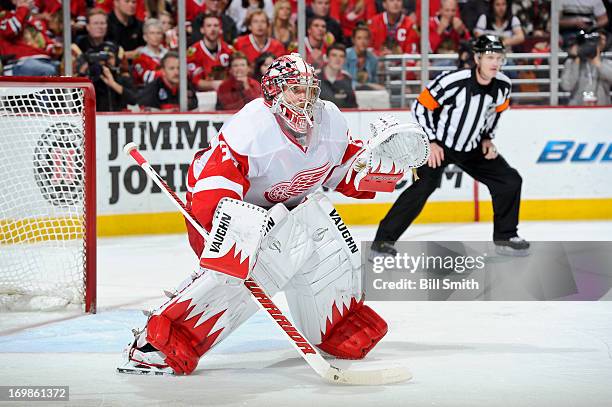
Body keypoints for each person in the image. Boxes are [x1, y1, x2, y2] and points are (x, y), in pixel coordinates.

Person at [117, 53, 426, 376]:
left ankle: (334, 324)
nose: (305, 100)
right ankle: (160, 344)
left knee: (322, 230)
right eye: (295, 90)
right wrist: (225, 234)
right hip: (229, 210)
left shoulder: (330, 121)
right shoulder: (252, 128)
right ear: (273, 93)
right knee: (248, 262)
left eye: (309, 90)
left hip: (285, 207)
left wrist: (375, 168)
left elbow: (341, 171)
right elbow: (214, 183)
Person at [372, 35, 530, 257]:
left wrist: (487, 138)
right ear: (477, 58)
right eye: (490, 57)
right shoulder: (452, 81)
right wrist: (432, 141)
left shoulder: (503, 85)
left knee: (510, 180)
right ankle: (382, 242)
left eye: (499, 58)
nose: (495, 63)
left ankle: (506, 237)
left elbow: (496, 112)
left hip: (472, 148)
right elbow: (420, 107)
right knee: (422, 186)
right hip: (440, 145)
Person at [0, 0, 59, 76]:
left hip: (45, 60)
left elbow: (46, 43)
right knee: (48, 70)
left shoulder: (36, 21)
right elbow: (11, 31)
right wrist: (23, 8)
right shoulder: (5, 16)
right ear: (14, 1)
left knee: (66, 68)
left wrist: (54, 48)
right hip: (19, 62)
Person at [76, 41, 135, 111]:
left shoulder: (123, 77)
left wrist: (113, 84)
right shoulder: (92, 77)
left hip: (119, 119)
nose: (106, 61)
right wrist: (83, 73)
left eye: (110, 57)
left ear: (116, 59)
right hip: (96, 119)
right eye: (102, 58)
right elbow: (76, 102)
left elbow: (134, 100)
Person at [133, 51, 198, 111]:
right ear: (163, 71)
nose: (176, 72)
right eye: (171, 68)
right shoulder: (153, 89)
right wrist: (164, 113)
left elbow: (194, 108)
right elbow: (143, 112)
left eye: (179, 68)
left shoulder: (186, 86)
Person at [561, 29, 612, 105]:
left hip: (602, 108)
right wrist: (577, 60)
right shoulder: (570, 63)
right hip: (577, 108)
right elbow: (567, 86)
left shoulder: (607, 63)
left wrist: (597, 62)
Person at [187, 13, 234, 91]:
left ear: (220, 29)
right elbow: (194, 81)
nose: (213, 29)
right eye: (209, 26)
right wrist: (214, 85)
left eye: (216, 26)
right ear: (202, 29)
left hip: (226, 95)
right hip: (201, 96)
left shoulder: (229, 50)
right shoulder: (193, 52)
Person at [319, 43, 358, 108]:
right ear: (326, 58)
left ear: (345, 60)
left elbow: (353, 107)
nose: (338, 59)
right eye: (334, 55)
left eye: (341, 56)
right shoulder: (315, 78)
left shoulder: (347, 79)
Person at [132, 18, 167, 86]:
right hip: (147, 92)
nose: (155, 36)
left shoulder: (167, 53)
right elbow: (147, 78)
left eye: (158, 33)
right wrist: (168, 73)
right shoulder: (139, 56)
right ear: (145, 37)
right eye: (152, 33)